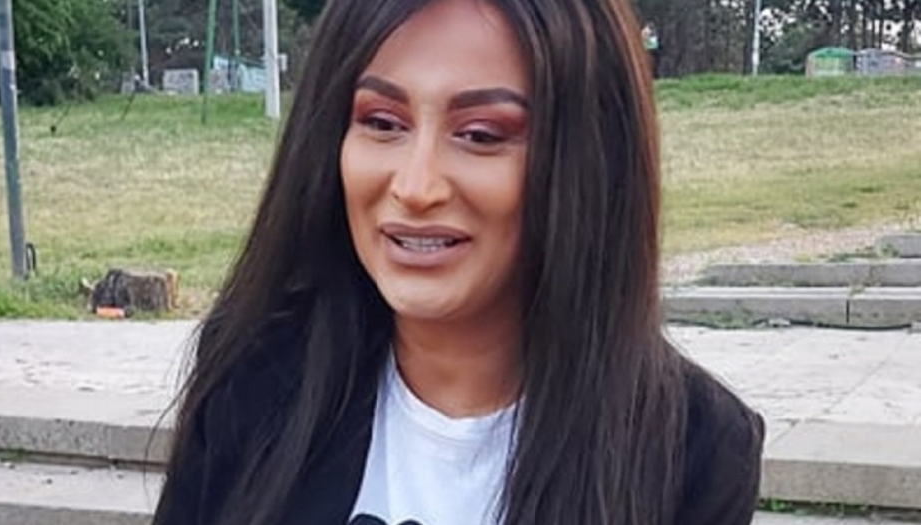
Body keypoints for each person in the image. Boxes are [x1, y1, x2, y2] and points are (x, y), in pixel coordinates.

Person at [153, 0, 764, 524]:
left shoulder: (694, 451)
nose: (416, 187)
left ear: (589, 160)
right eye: (382, 122)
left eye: (481, 135)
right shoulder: (254, 378)